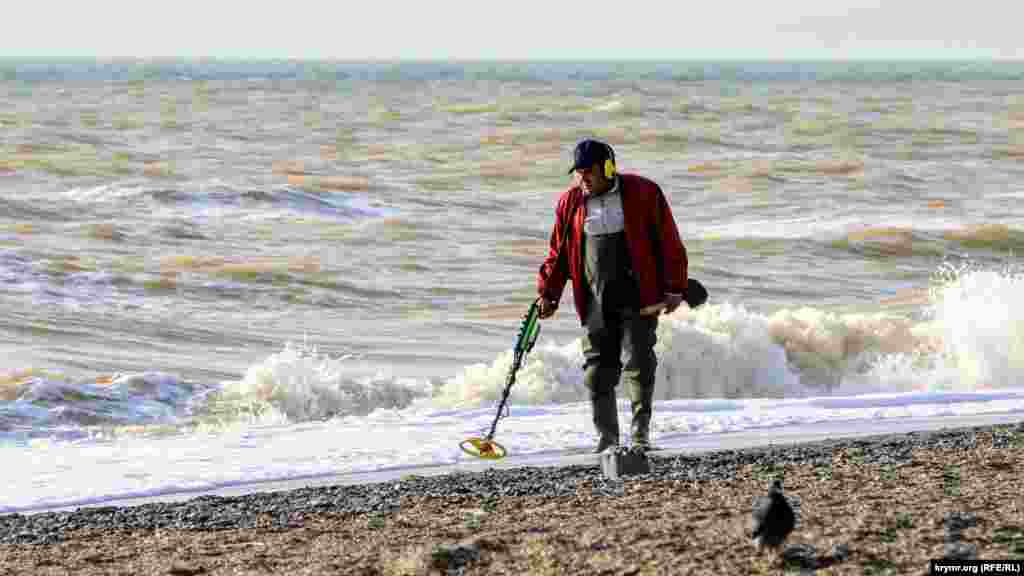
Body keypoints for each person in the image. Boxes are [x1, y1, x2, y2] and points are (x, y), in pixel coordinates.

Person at [536, 139, 689, 453]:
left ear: (608, 167)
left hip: (640, 294)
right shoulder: (570, 203)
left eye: (588, 172)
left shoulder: (644, 192)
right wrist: (548, 294)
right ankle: (607, 440)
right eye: (578, 173)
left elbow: (669, 240)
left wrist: (674, 287)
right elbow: (558, 254)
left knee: (640, 363)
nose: (583, 179)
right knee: (597, 371)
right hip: (595, 299)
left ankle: (640, 436)